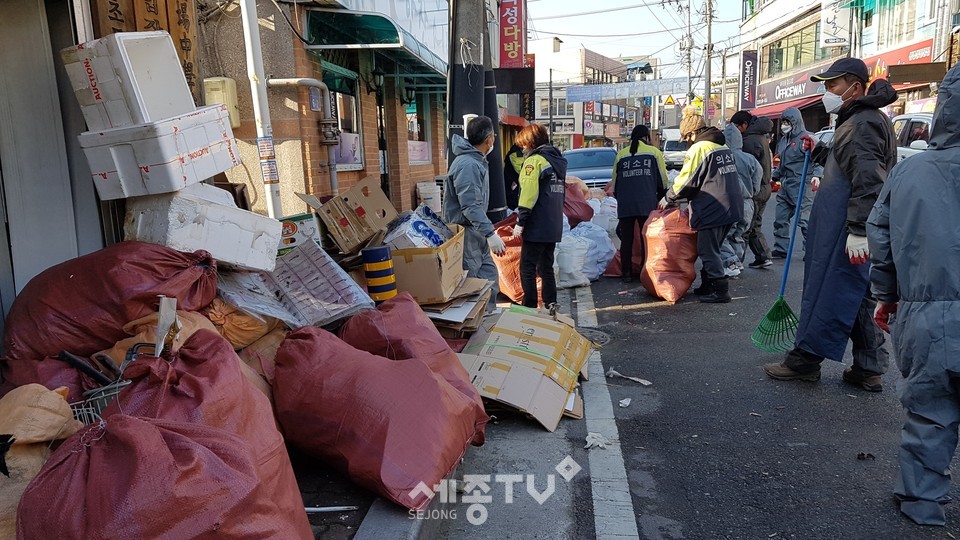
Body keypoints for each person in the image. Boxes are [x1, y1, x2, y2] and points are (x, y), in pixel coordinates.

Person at [762, 58, 896, 391]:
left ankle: (805, 360)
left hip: (845, 228)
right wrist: (821, 151)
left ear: (854, 86)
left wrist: (859, 230)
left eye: (832, 85)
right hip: (845, 225)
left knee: (829, 292)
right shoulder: (856, 120)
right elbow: (848, 163)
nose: (826, 92)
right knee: (857, 294)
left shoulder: (863, 122)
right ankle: (869, 367)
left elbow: (868, 179)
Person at [867, 63, 960, 527]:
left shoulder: (911, 173)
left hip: (929, 313)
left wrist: (886, 295)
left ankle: (921, 501)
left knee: (931, 410)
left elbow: (880, 235)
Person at [658, 106, 743, 303]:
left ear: (693, 133)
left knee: (707, 250)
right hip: (731, 206)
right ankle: (707, 286)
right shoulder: (721, 146)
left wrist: (668, 197)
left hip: (714, 208)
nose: (687, 141)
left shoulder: (699, 148)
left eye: (687, 137)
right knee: (713, 248)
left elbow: (687, 179)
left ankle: (720, 291)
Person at [443, 115, 504, 307]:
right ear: (489, 139)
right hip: (466, 234)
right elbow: (470, 206)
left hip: (475, 232)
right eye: (494, 134)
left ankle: (488, 322)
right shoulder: (468, 164)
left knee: (489, 280)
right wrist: (490, 234)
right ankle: (477, 330)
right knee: (473, 286)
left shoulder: (475, 161)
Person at [514, 123, 567, 309]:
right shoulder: (557, 161)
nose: (522, 148)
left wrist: (521, 221)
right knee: (546, 267)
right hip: (553, 224)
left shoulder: (534, 161)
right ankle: (551, 304)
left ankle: (528, 307)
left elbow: (529, 194)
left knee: (527, 267)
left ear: (530, 142)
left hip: (537, 225)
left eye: (523, 144)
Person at [610, 125, 667, 282]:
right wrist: (659, 197)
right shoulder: (654, 153)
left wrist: (622, 198)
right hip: (647, 203)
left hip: (625, 203)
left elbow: (614, 185)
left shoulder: (621, 155)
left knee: (626, 239)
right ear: (646, 137)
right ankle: (645, 270)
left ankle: (626, 272)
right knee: (646, 238)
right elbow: (663, 180)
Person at [770, 107, 819, 258]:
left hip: (803, 184)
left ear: (795, 121)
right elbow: (783, 163)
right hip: (786, 184)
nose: (785, 125)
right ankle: (781, 248)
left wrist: (817, 176)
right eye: (783, 121)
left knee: (805, 221)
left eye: (787, 121)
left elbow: (819, 160)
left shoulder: (807, 138)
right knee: (780, 218)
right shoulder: (784, 140)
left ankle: (810, 249)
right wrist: (775, 177)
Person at [720, 123, 762, 278]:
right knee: (739, 235)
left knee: (723, 236)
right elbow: (758, 182)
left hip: (729, 202)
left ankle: (730, 263)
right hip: (748, 202)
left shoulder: (722, 157)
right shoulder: (750, 159)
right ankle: (737, 263)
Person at [737, 112, 776, 269]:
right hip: (765, 186)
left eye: (738, 126)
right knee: (754, 225)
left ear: (745, 125)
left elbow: (749, 169)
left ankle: (736, 261)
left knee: (746, 226)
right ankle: (763, 256)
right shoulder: (760, 136)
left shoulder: (749, 141)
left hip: (756, 189)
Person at [503, 143, 524, 210]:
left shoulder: (518, 152)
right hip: (513, 191)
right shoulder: (515, 153)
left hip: (515, 189)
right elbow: (522, 170)